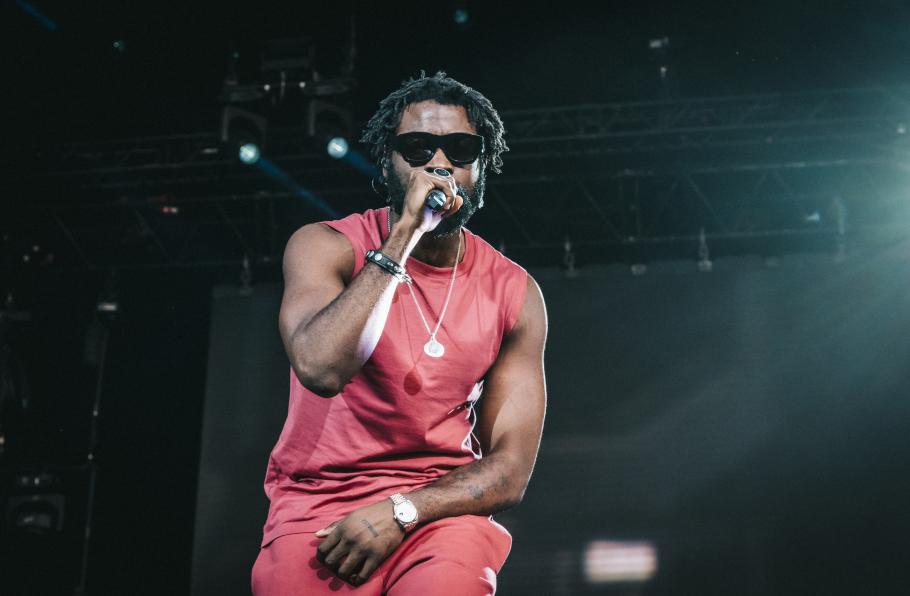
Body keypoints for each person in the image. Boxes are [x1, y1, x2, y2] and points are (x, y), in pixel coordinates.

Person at [252, 71, 547, 595]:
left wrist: (402, 510)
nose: (439, 164)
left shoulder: (514, 291)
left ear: (483, 164)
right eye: (417, 149)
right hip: (319, 505)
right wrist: (405, 235)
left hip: (438, 510)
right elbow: (322, 368)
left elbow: (510, 470)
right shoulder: (325, 246)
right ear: (387, 162)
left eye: (460, 149)